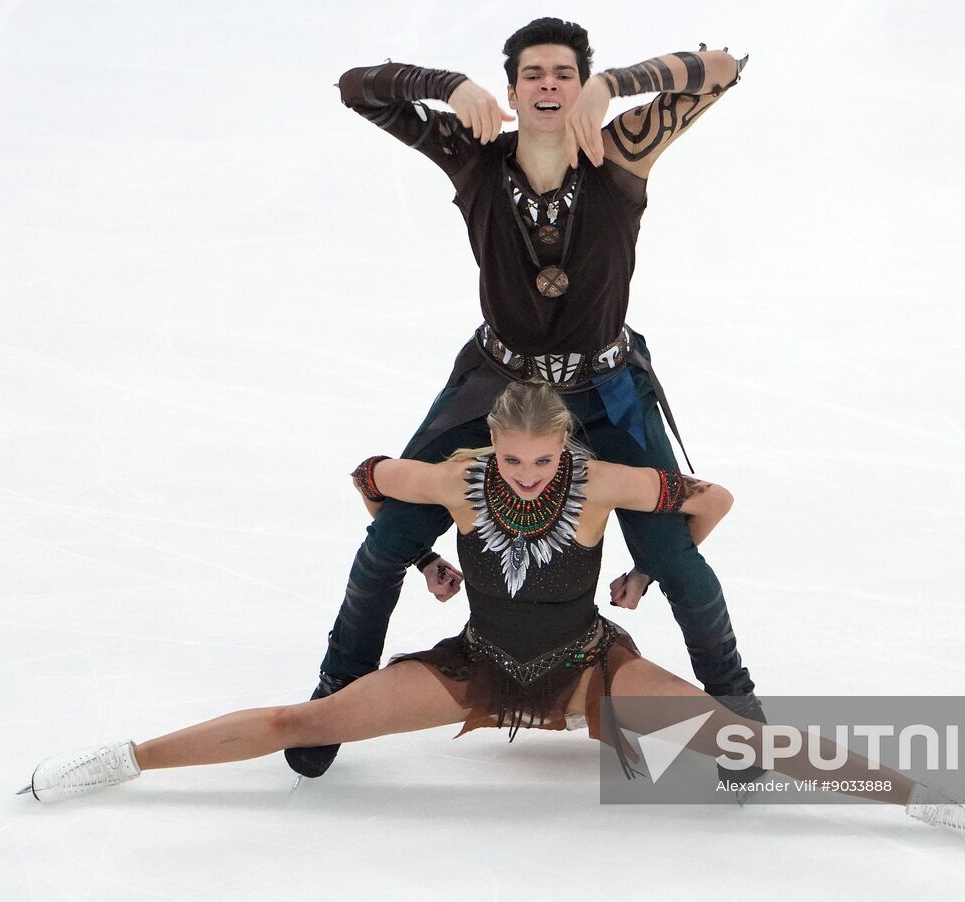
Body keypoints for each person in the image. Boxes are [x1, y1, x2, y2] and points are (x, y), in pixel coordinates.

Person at [20, 382, 965, 848]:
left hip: (586, 664)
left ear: (563, 452)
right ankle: (125, 759)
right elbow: (368, 475)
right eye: (514, 458)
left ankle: (920, 795)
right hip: (480, 661)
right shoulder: (457, 476)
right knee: (305, 720)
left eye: (542, 459)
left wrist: (640, 579)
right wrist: (417, 555)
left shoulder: (601, 482)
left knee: (735, 739)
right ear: (492, 444)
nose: (529, 473)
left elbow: (710, 498)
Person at [289, 16, 764, 780]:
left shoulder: (624, 147)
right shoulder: (473, 153)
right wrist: (445, 88)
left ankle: (739, 712)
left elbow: (723, 66)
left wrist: (619, 85)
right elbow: (355, 90)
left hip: (606, 390)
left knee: (675, 557)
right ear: (510, 92)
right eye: (533, 74)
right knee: (386, 546)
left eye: (566, 73)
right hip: (496, 389)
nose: (550, 83)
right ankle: (334, 694)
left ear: (582, 88)